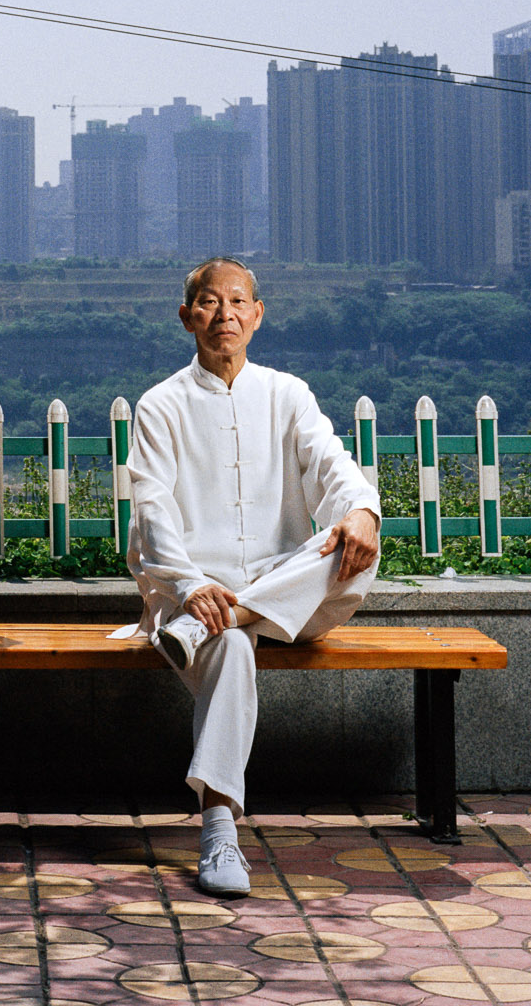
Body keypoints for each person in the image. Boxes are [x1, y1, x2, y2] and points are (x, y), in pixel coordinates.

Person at [125, 257, 381, 898]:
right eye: (209, 303)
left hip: (269, 589)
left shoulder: (288, 394)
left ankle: (234, 612)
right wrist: (189, 588)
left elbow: (332, 462)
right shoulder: (161, 406)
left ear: (258, 315)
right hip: (190, 592)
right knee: (232, 644)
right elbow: (153, 511)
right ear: (187, 318)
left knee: (351, 544)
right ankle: (220, 837)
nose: (225, 314)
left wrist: (362, 510)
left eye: (237, 302)